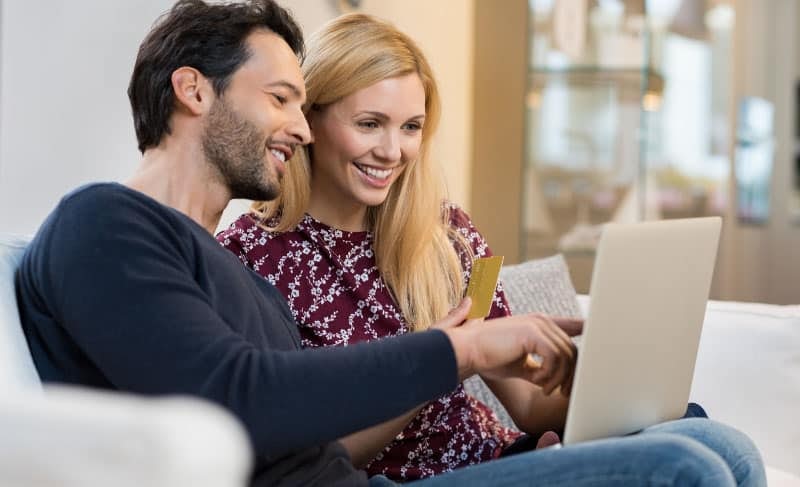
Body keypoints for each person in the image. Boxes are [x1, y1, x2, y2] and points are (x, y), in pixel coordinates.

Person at [13, 1, 764, 487]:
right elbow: (242, 403)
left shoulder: (228, 275)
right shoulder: (107, 223)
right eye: (284, 100)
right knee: (680, 468)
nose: (302, 130)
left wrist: (581, 402)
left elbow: (289, 422)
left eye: (304, 106)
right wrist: (456, 350)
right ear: (194, 91)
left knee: (715, 446)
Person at [217, 12, 577, 481]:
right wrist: (441, 361)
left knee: (696, 431)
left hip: (507, 459)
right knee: (681, 460)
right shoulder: (250, 258)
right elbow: (310, 460)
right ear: (309, 120)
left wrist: (592, 379)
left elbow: (529, 406)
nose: (393, 152)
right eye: (370, 124)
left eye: (411, 127)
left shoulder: (451, 234)